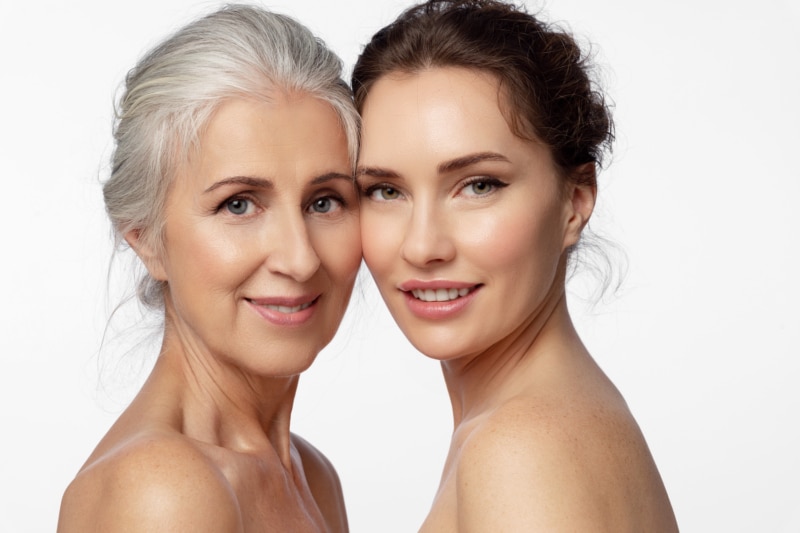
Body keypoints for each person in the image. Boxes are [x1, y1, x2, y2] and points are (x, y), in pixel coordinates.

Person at [352, 0, 679, 530]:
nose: (422, 245)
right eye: (386, 190)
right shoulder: (562, 419)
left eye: (479, 185)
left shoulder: (522, 449)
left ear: (574, 201)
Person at [57, 5, 359, 532]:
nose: (300, 257)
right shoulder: (162, 490)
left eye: (325, 202)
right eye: (239, 204)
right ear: (147, 240)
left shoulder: (310, 474)